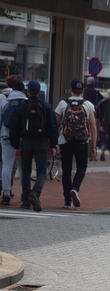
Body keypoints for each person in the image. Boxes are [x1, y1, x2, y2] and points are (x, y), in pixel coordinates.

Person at [9, 81, 57, 212]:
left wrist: (15, 145)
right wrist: (53, 144)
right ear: (39, 91)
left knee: (26, 171)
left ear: (28, 91)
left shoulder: (22, 106)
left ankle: (25, 200)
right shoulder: (46, 107)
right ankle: (35, 193)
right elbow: (53, 126)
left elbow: (14, 126)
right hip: (42, 142)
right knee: (42, 171)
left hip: (26, 141)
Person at [55, 79, 98, 208]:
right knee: (81, 167)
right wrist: (93, 146)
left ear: (71, 90)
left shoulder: (63, 104)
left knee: (66, 170)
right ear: (82, 90)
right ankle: (75, 188)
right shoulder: (88, 105)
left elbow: (55, 124)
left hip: (65, 141)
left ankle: (67, 201)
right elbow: (93, 127)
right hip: (82, 142)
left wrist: (53, 142)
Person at [1, 76, 27, 205]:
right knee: (23, 167)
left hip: (5, 136)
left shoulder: (4, 99)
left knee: (6, 164)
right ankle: (24, 194)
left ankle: (6, 193)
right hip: (23, 138)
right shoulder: (26, 101)